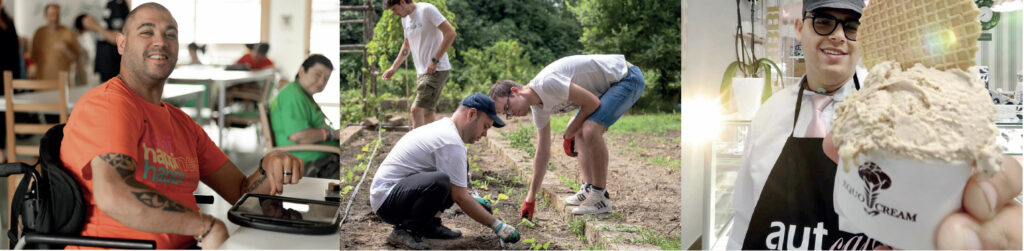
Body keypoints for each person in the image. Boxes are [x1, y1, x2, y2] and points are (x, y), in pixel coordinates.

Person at [729, 0, 1022, 249]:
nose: (838, 36)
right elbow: (743, 214)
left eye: (852, 26)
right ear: (799, 28)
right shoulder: (768, 114)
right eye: (823, 22)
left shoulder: (903, 109)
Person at [60, 3, 305, 249]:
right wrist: (206, 226)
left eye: (170, 34)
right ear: (121, 44)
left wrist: (269, 166)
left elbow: (241, 192)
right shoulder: (108, 104)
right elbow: (114, 195)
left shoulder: (183, 124)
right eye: (146, 32)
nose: (161, 42)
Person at [488, 54, 645, 218]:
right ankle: (588, 188)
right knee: (579, 128)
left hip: (626, 77)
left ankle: (600, 196)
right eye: (506, 113)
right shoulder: (538, 108)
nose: (511, 113)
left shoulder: (546, 83)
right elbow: (542, 152)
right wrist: (531, 197)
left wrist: (568, 133)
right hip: (609, 87)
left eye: (507, 106)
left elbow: (592, 103)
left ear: (515, 91)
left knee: (590, 129)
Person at [370, 94, 520, 249]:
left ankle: (430, 225)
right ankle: (405, 231)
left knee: (458, 169)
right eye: (485, 126)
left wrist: (468, 196)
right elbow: (460, 197)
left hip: (398, 193)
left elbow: (459, 189)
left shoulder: (446, 128)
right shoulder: (450, 140)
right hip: (387, 200)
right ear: (472, 114)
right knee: (440, 181)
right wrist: (497, 225)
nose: (484, 134)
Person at [381, 0, 457, 128]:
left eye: (394, 9)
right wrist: (393, 67)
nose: (394, 13)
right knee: (427, 112)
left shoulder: (427, 10)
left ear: (403, 2)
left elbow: (450, 33)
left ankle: (416, 147)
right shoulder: (405, 19)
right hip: (421, 72)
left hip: (436, 69)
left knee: (416, 110)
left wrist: (435, 60)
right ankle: (431, 146)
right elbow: (406, 45)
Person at [269, 54, 341, 178]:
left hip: (322, 156)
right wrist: (332, 134)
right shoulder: (293, 96)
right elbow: (299, 136)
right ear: (302, 71)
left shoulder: (302, 94)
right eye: (317, 74)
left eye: (326, 78)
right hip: (308, 162)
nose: (321, 82)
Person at [31, 3, 81, 81]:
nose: (55, 18)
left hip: (62, 82)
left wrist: (66, 48)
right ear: (45, 16)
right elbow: (32, 56)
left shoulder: (68, 32)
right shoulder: (39, 32)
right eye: (52, 15)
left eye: (57, 15)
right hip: (42, 81)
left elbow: (77, 58)